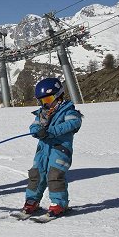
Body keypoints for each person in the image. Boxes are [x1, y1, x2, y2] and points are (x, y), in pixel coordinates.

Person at [20, 77, 83, 218]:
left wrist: (50, 132)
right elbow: (34, 125)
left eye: (48, 100)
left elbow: (73, 124)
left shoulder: (68, 111)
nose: (45, 104)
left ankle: (59, 203)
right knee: (36, 173)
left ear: (58, 96)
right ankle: (32, 200)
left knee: (54, 175)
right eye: (42, 101)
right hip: (43, 150)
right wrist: (36, 130)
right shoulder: (42, 113)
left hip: (60, 149)